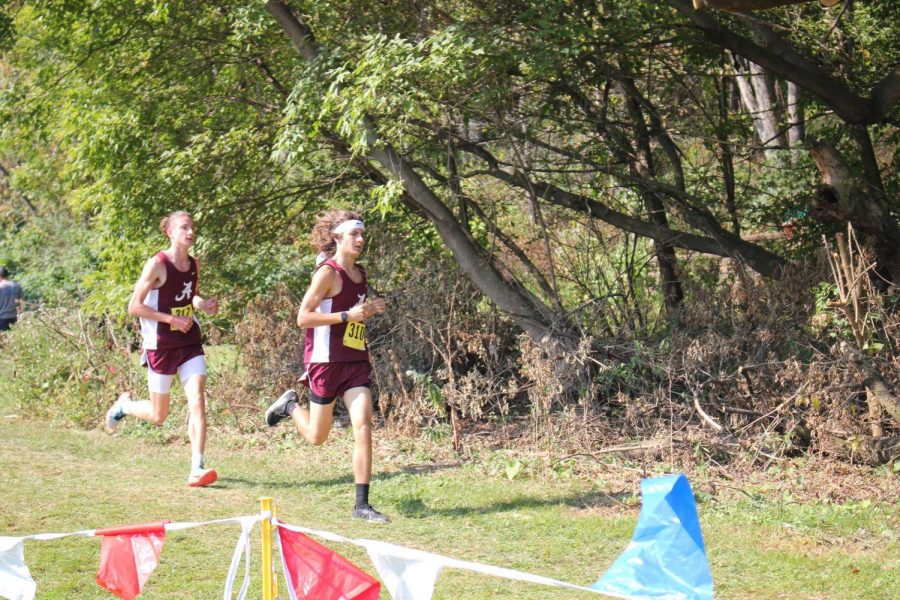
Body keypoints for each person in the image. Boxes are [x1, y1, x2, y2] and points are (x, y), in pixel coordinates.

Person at [265, 209, 389, 522]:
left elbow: (355, 312)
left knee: (364, 424)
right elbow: (302, 317)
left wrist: (369, 310)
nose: (360, 240)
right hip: (324, 361)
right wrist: (347, 316)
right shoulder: (327, 274)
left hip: (354, 360)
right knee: (316, 437)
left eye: (362, 234)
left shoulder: (360, 274)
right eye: (353, 235)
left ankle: (362, 505)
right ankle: (290, 406)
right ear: (337, 238)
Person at [104, 210, 220, 487]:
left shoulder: (194, 264)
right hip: (161, 345)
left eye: (192, 228)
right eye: (184, 228)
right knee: (159, 415)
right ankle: (124, 407)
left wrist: (201, 305)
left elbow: (188, 297)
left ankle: (197, 467)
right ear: (170, 232)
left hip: (189, 342)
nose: (190, 232)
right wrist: (170, 319)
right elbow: (134, 306)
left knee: (198, 400)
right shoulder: (156, 264)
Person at [0, 266, 23, 332]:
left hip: (1, 318)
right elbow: (22, 303)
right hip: (14, 318)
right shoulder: (17, 286)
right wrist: (20, 315)